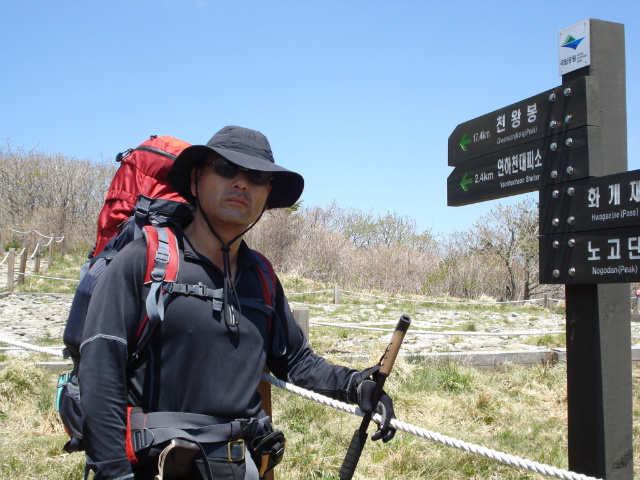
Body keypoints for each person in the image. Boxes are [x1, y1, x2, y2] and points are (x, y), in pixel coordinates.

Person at [79, 126, 396, 480]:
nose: (242, 183)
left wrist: (356, 385)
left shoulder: (260, 275)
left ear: (267, 194)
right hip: (158, 467)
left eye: (257, 177)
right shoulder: (143, 261)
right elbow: (100, 369)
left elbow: (295, 360)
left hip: (239, 466)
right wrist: (113, 473)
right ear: (196, 180)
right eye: (226, 169)